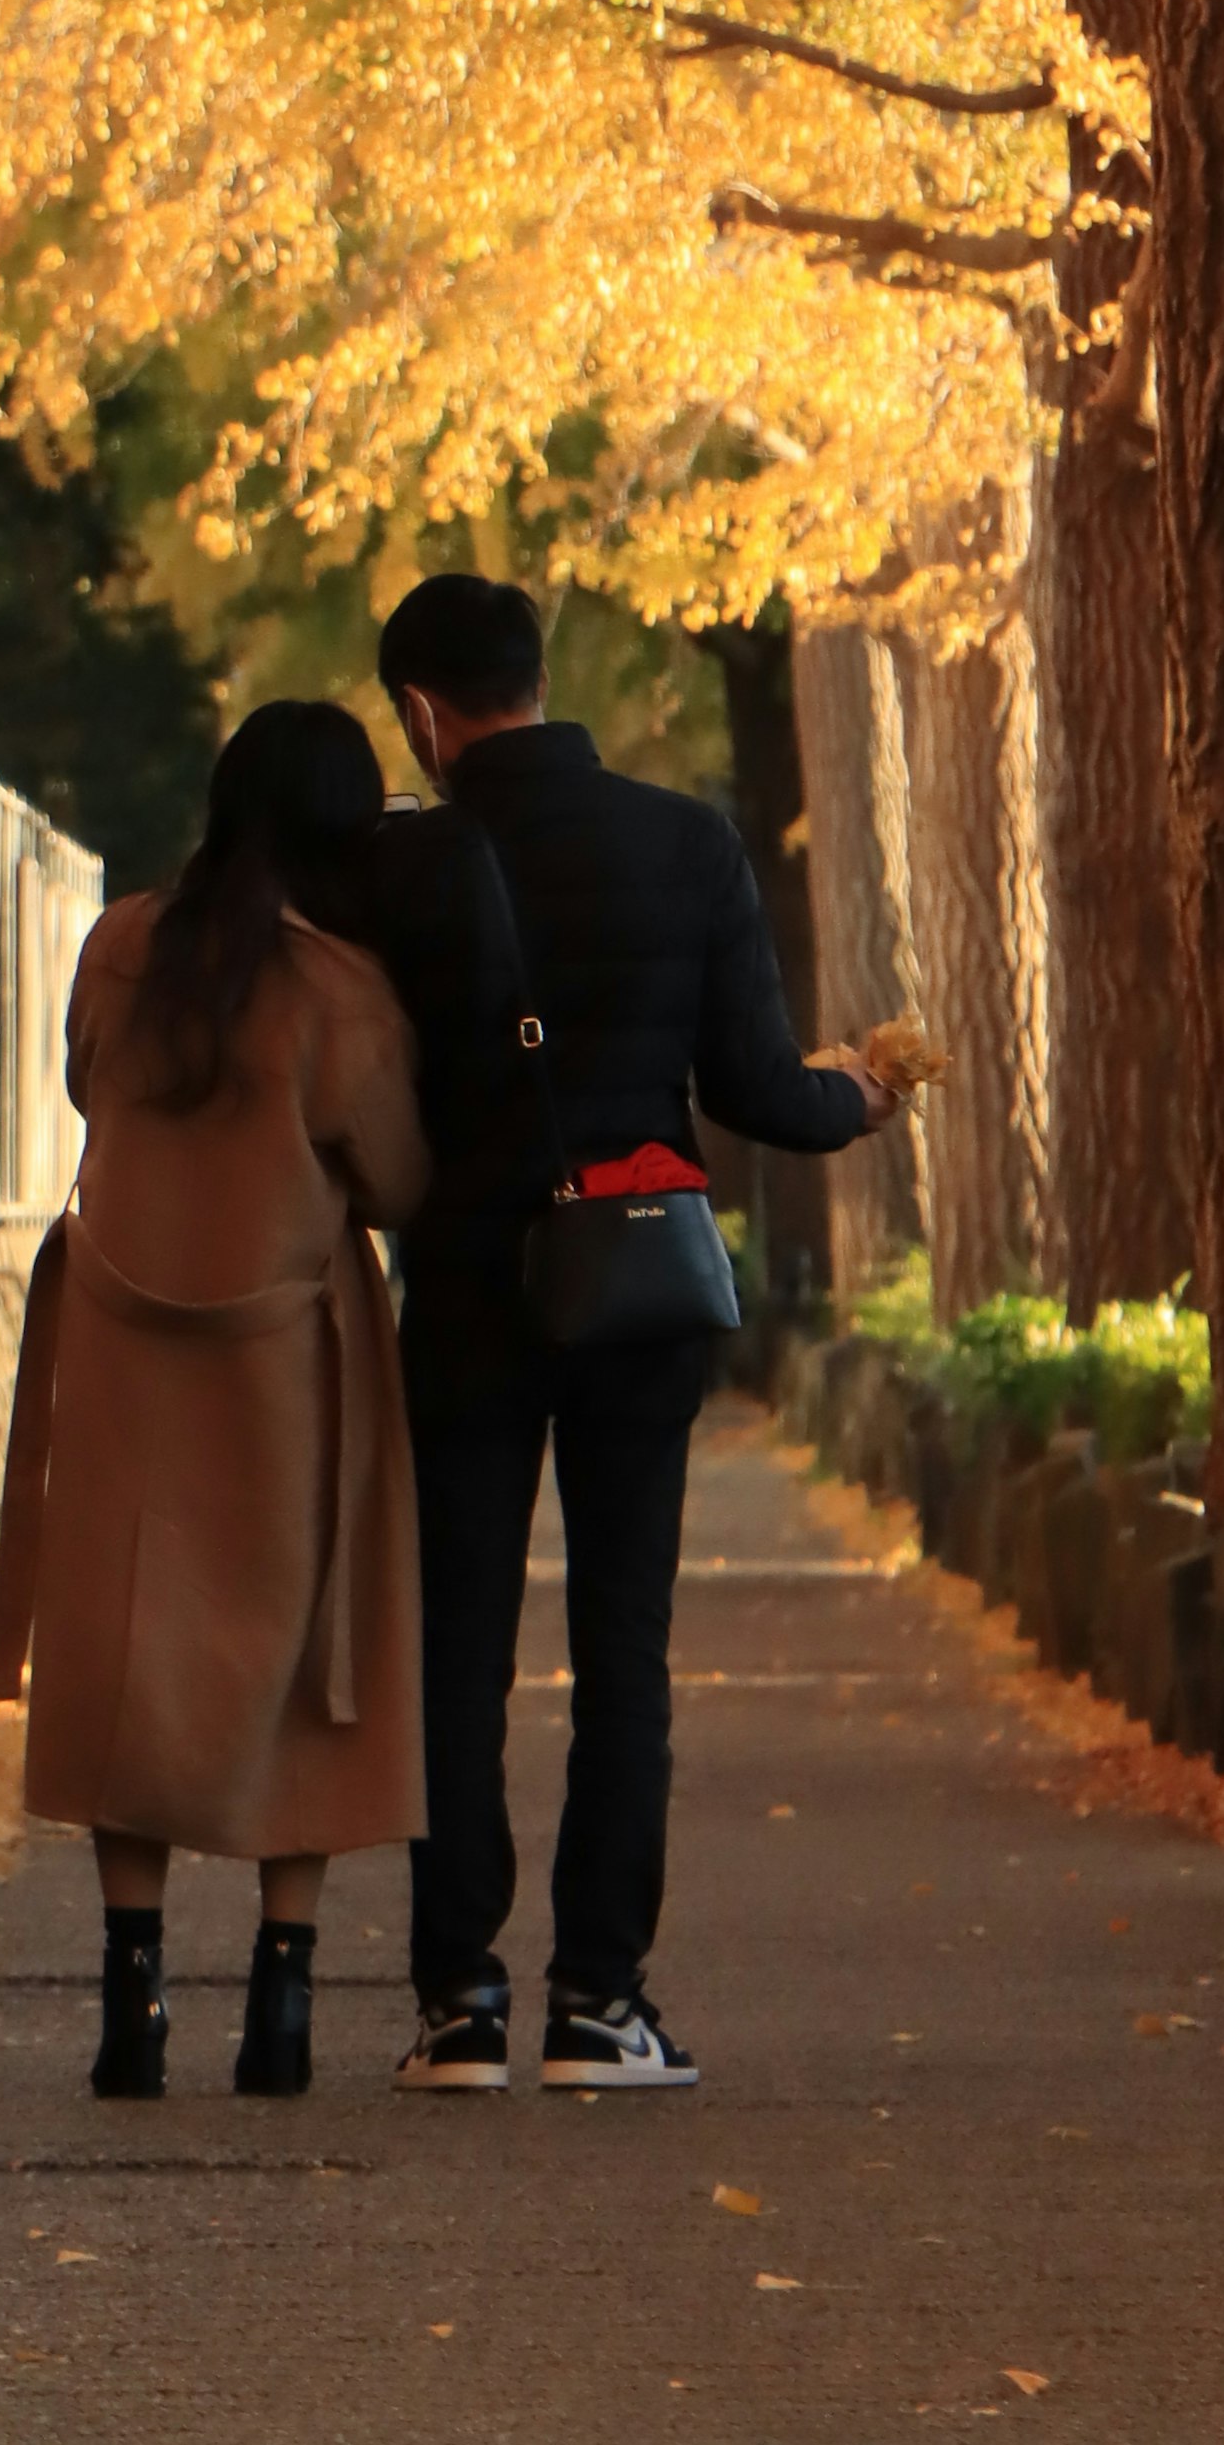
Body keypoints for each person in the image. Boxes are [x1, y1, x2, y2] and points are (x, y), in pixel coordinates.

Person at [355, 571, 900, 2095]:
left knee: (457, 1643)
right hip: (637, 1284)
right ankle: (600, 1999)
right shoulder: (685, 843)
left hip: (466, 1282)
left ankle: (456, 2000)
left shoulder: (404, 872)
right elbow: (753, 1088)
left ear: (421, 712)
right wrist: (852, 1097)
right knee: (623, 1647)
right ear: (541, 677)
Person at [0, 702, 430, 2105]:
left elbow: (81, 1092)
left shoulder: (122, 944)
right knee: (308, 1659)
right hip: (282, 1355)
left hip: (121, 1342)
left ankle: (133, 1995)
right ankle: (282, 2009)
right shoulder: (340, 990)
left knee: (131, 1653)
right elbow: (399, 1180)